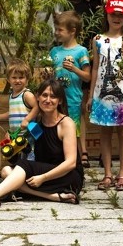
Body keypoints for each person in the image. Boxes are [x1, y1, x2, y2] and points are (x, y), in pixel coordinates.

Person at [0, 79, 84, 210]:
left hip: (68, 177)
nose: (48, 100)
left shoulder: (66, 123)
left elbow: (71, 163)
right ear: (38, 97)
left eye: (53, 96)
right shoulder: (36, 124)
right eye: (44, 95)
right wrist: (11, 147)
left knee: (21, 169)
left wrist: (43, 178)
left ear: (60, 100)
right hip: (45, 172)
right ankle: (52, 196)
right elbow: (24, 157)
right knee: (6, 171)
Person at [87, 0, 123, 192]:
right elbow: (95, 68)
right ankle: (107, 173)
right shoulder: (97, 39)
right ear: (106, 15)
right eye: (113, 14)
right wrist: (91, 95)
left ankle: (122, 173)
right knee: (104, 131)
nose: (116, 18)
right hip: (101, 91)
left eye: (120, 15)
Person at [69, 0, 104, 167]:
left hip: (101, 58)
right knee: (82, 106)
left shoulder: (103, 3)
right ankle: (83, 150)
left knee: (100, 104)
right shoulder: (72, 5)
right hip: (81, 58)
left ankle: (102, 151)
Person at [49, 11, 91, 156]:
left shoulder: (81, 51)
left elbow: (87, 77)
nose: (57, 33)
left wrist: (74, 69)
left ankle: (78, 156)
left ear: (72, 31)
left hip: (73, 98)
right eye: (56, 29)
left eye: (60, 30)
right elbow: (51, 75)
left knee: (74, 128)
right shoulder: (54, 51)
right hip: (55, 98)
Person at [0, 58, 37, 156]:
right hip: (16, 135)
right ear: (8, 80)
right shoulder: (12, 96)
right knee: (18, 158)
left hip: (28, 134)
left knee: (30, 156)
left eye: (21, 77)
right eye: (14, 77)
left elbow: (37, 107)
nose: (17, 80)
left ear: (27, 79)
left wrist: (27, 119)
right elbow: (11, 113)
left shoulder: (26, 95)